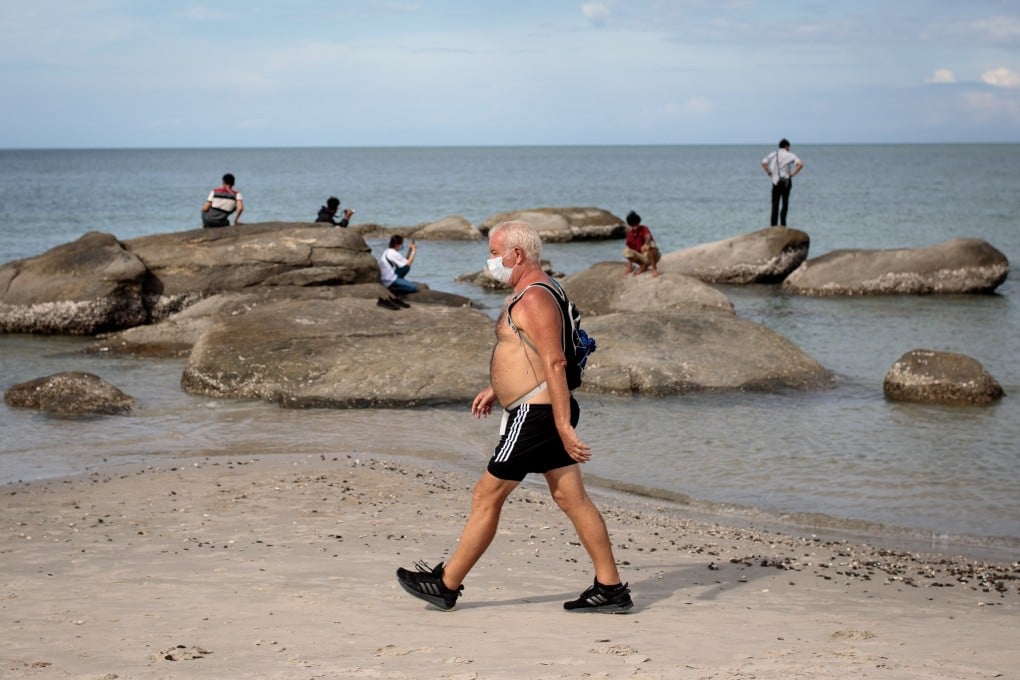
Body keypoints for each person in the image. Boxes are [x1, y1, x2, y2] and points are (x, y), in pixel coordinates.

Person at [396, 220, 633, 614]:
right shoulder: (536, 289)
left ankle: (446, 583)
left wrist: (561, 424)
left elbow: (555, 362)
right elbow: (532, 354)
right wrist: (498, 388)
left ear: (517, 255)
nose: (490, 260)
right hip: (538, 408)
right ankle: (610, 588)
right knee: (571, 498)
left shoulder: (535, 298)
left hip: (537, 417)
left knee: (487, 494)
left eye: (494, 253)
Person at [761, 138, 804, 227]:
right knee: (785, 203)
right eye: (789, 147)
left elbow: (763, 163)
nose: (789, 149)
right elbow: (800, 165)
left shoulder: (773, 154)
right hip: (786, 182)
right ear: (786, 146)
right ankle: (783, 224)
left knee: (775, 204)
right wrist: (793, 174)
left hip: (776, 182)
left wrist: (768, 172)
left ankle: (773, 225)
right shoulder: (790, 155)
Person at [622, 210, 660, 277]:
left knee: (650, 245)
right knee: (626, 251)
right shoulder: (629, 235)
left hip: (653, 256)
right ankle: (642, 266)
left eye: (637, 224)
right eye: (633, 225)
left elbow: (648, 237)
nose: (635, 227)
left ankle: (654, 269)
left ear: (639, 222)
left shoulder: (644, 228)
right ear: (630, 225)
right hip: (642, 258)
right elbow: (630, 251)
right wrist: (629, 268)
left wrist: (646, 244)